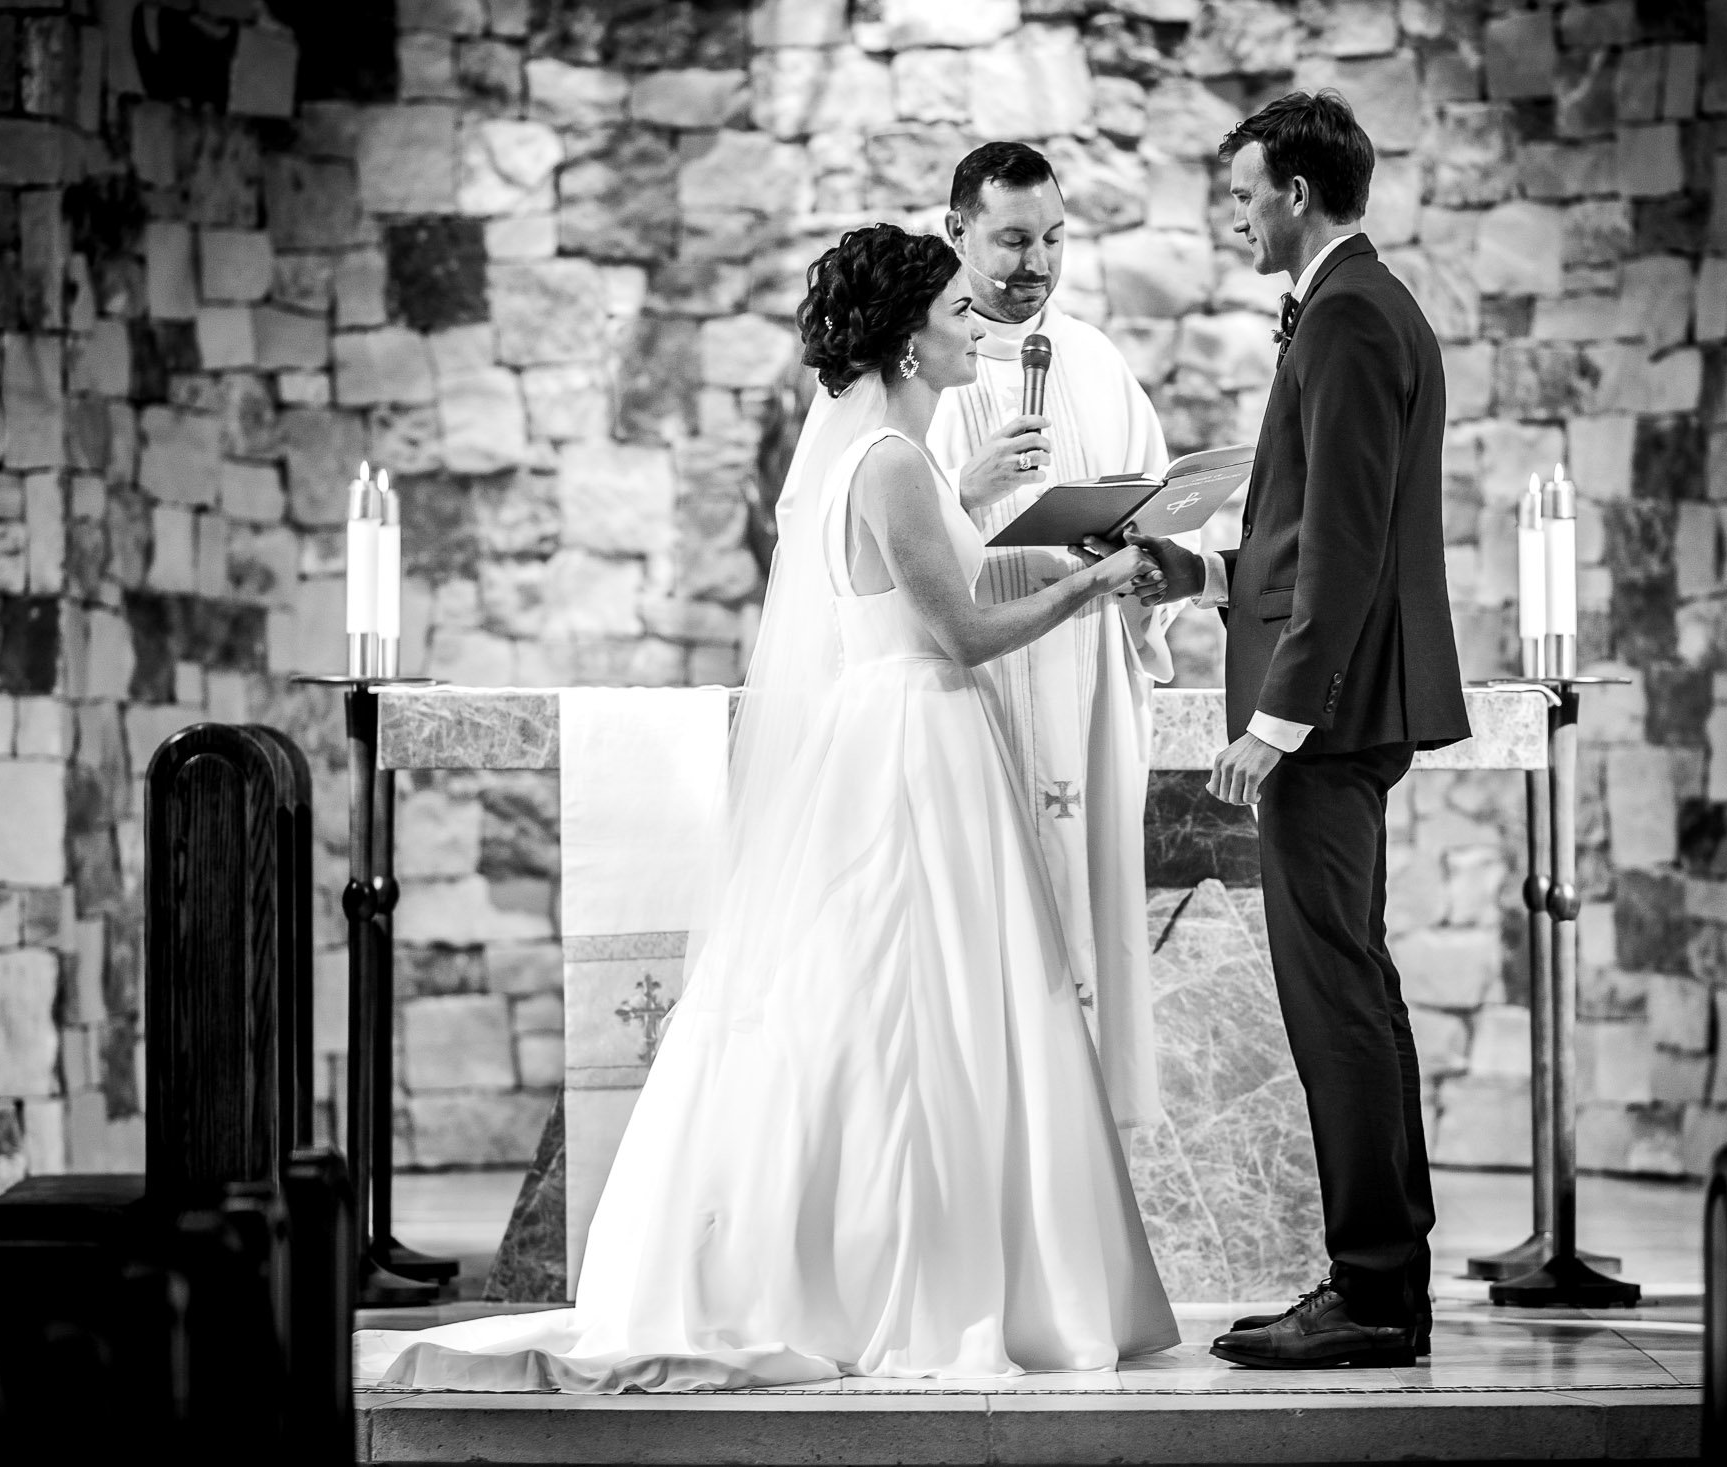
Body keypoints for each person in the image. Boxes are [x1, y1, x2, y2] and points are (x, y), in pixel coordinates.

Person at [356, 224, 1179, 1392]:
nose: (976, 330)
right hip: (912, 745)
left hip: (913, 733)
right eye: (956, 314)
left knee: (919, 1004)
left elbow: (940, 591)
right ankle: (911, 1281)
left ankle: (923, 1265)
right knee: (914, 1005)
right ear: (905, 340)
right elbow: (960, 633)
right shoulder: (891, 464)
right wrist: (1097, 584)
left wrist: (1044, 557)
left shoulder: (898, 455)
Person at [1132, 91, 1471, 1370]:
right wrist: (1202, 577)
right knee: (1353, 988)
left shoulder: (1343, 317)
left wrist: (1276, 718)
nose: (1230, 219)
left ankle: (1372, 1294)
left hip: (1324, 720)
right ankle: (1383, 1285)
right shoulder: (1353, 310)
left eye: (1240, 195)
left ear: (1293, 194)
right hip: (1337, 706)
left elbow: (1345, 543)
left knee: (1332, 995)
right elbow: (1296, 533)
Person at [926, 142, 1172, 1136]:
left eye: (1055, 238)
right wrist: (967, 493)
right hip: (977, 683)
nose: (1037, 262)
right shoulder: (923, 363)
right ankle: (997, 1140)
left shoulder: (1097, 361)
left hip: (1086, 676)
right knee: (994, 922)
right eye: (1013, 240)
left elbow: (1158, 500)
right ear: (957, 233)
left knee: (1087, 910)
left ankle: (1082, 1153)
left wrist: (1148, 546)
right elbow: (876, 533)